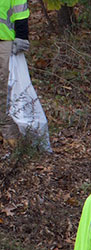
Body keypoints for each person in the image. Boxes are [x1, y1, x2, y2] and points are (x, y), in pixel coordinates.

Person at [1, 0, 30, 147]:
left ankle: (11, 138)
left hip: (4, 40)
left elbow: (20, 10)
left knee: (3, 90)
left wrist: (22, 35)